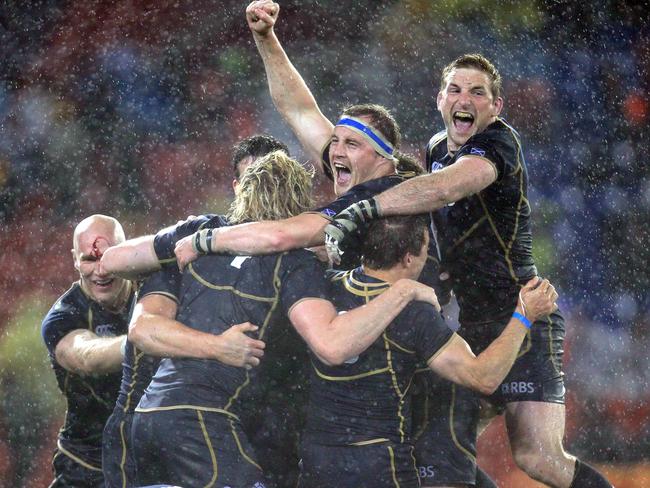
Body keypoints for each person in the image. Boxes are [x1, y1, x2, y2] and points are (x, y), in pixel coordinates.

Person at [325, 55, 613, 488]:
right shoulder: (437, 147)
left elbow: (446, 188)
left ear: (495, 107)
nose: (465, 99)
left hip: (523, 310)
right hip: (471, 321)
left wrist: (363, 209)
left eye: (477, 92)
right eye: (456, 90)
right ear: (440, 99)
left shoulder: (499, 143)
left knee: (537, 457)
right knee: (438, 444)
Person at [129, 151, 438, 487]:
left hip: (146, 417)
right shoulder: (293, 262)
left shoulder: (192, 242)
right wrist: (403, 291)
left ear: (241, 192)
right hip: (207, 421)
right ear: (300, 205)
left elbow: (116, 275)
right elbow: (331, 345)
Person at [301, 215, 558, 487]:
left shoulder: (323, 286)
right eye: (426, 250)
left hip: (316, 462)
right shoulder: (414, 315)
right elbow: (483, 376)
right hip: (378, 465)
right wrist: (524, 314)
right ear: (409, 259)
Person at [99, 134, 286, 488]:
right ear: (235, 187)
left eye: (271, 180)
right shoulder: (191, 242)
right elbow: (141, 323)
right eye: (251, 181)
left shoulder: (300, 247)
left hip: (239, 419)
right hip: (165, 420)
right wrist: (217, 346)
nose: (261, 193)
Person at [41, 215, 135, 487]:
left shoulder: (155, 289)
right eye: (89, 260)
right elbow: (85, 356)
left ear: (126, 250)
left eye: (108, 257)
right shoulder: (63, 317)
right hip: (88, 466)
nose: (101, 271)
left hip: (151, 457)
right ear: (74, 259)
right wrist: (143, 341)